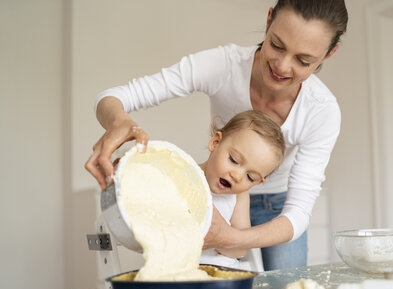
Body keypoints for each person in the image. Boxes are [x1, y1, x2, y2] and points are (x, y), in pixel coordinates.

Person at [85, 0, 348, 270]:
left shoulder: (321, 111)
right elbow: (113, 97)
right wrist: (119, 122)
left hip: (279, 208)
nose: (281, 66)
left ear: (329, 53)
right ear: (269, 20)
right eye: (277, 45)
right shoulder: (223, 66)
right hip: (212, 190)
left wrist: (231, 237)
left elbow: (298, 213)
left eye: (303, 61)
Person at [199, 110, 285, 269]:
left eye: (250, 177)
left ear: (258, 182)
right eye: (234, 160)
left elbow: (240, 249)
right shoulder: (185, 174)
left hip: (221, 272)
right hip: (177, 271)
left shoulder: (239, 196)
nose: (237, 176)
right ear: (216, 142)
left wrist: (220, 238)